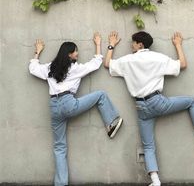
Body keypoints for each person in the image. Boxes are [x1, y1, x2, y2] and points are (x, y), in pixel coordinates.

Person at [104, 31, 194, 186]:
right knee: (192, 102)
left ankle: (155, 182)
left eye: (133, 42)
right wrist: (178, 45)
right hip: (157, 102)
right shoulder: (157, 57)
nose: (131, 44)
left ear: (140, 44)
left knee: (148, 145)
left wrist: (111, 45)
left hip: (140, 107)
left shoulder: (128, 60)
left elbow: (107, 64)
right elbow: (182, 64)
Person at [29, 32, 123, 186]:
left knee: (59, 146)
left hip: (54, 106)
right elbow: (95, 63)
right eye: (75, 51)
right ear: (69, 54)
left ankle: (61, 184)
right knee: (101, 95)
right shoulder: (75, 68)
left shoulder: (50, 68)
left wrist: (37, 51)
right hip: (68, 103)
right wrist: (98, 44)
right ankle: (112, 122)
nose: (77, 53)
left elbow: (33, 68)